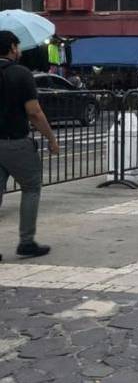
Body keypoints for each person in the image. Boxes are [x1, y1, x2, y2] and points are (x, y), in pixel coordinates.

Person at [0, 30, 59, 262]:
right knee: (31, 187)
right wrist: (51, 139)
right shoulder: (21, 74)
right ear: (13, 48)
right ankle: (26, 242)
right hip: (15, 142)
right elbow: (34, 112)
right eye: (18, 46)